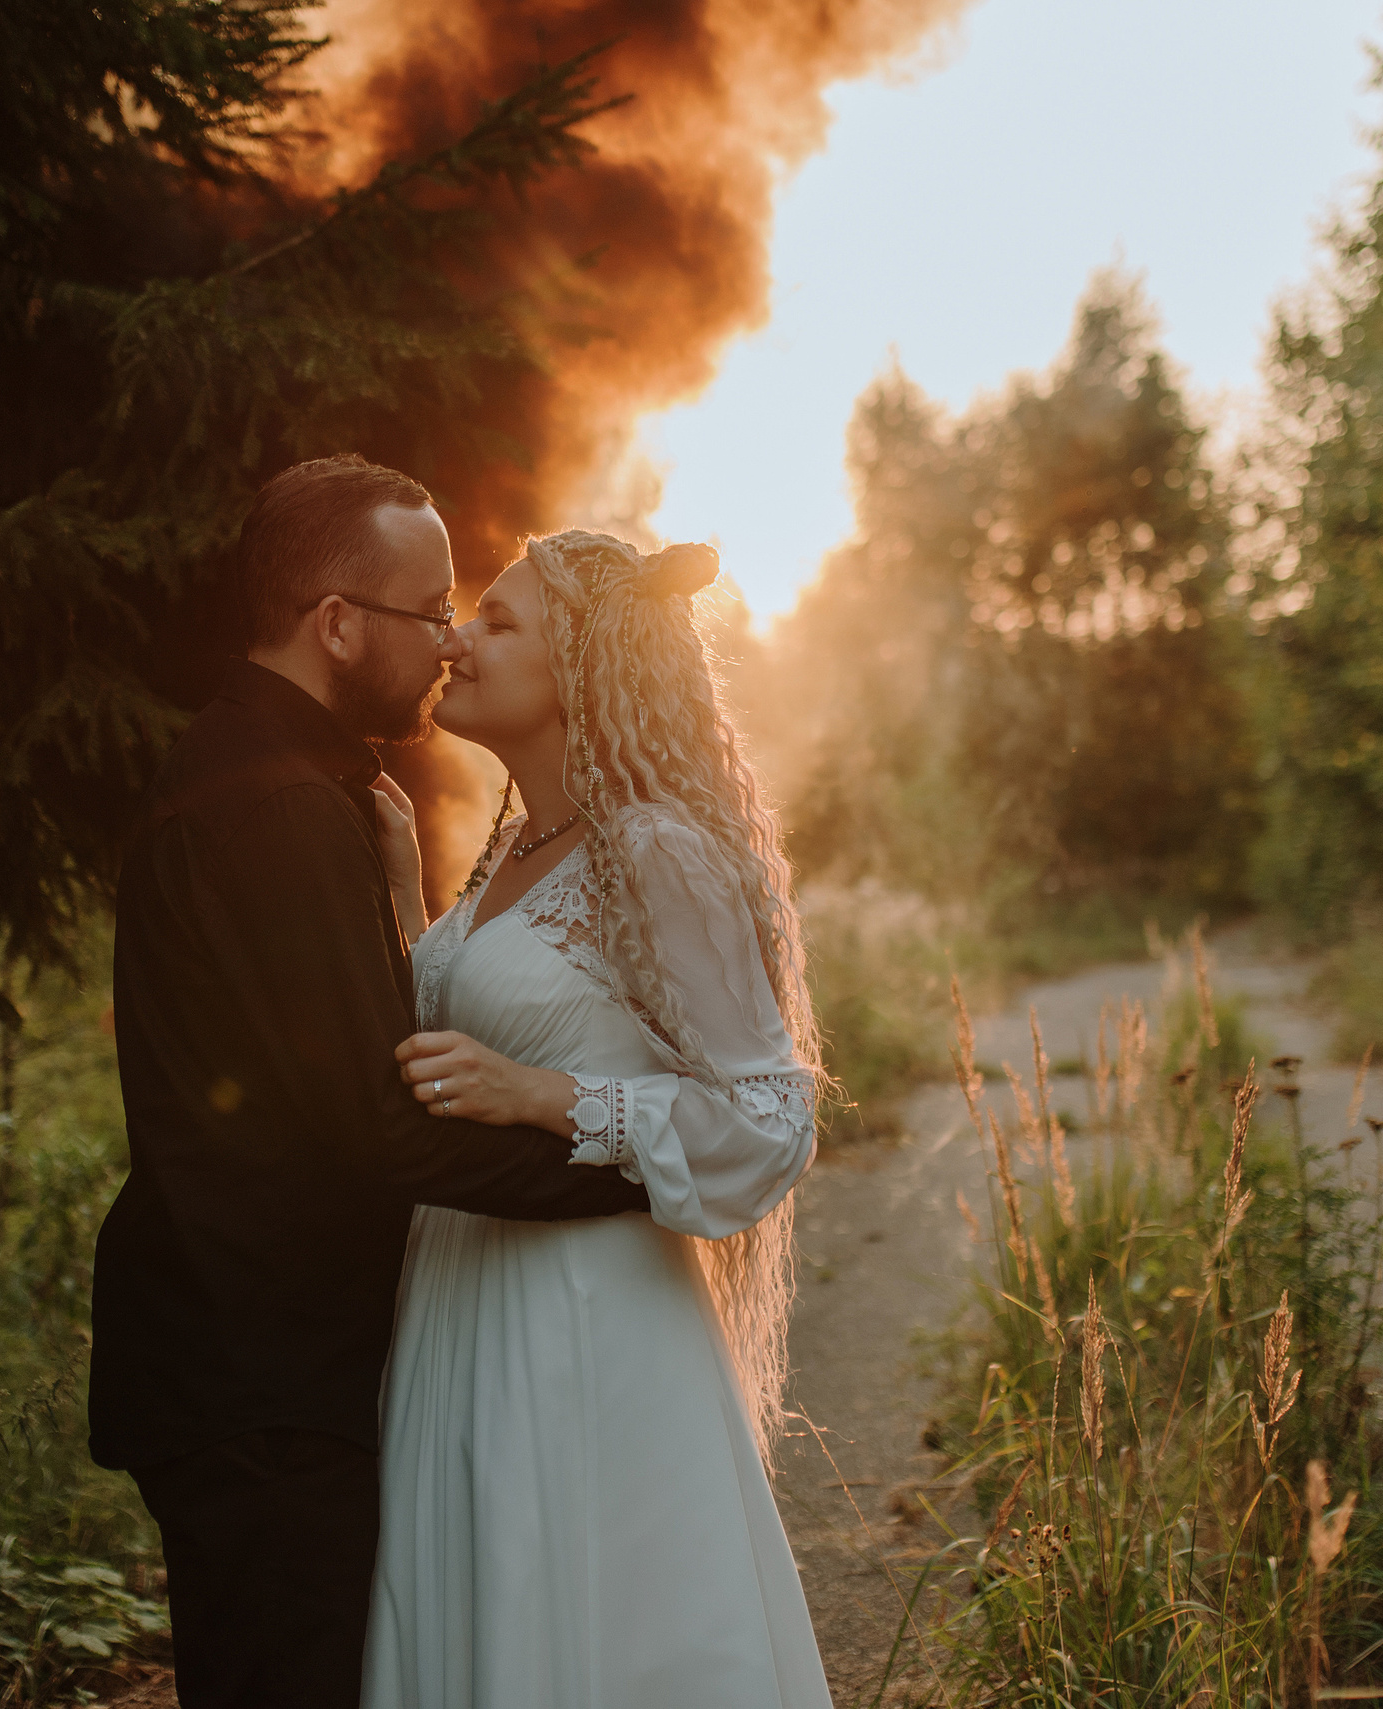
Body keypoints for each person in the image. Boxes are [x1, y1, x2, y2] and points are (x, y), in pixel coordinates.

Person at [88, 457, 650, 1708]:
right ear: (338, 623)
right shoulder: (278, 807)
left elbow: (338, 1055)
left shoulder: (283, 780)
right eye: (429, 607)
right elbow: (383, 1126)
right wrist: (634, 1167)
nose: (448, 638)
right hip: (261, 1378)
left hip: (258, 1358)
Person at [360, 528, 833, 1708]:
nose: (457, 638)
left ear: (584, 664)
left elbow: (770, 1117)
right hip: (458, 1296)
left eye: (499, 621)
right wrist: (401, 895)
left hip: (582, 1320)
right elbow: (447, 1037)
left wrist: (549, 1098)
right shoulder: (511, 847)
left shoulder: (655, 850)